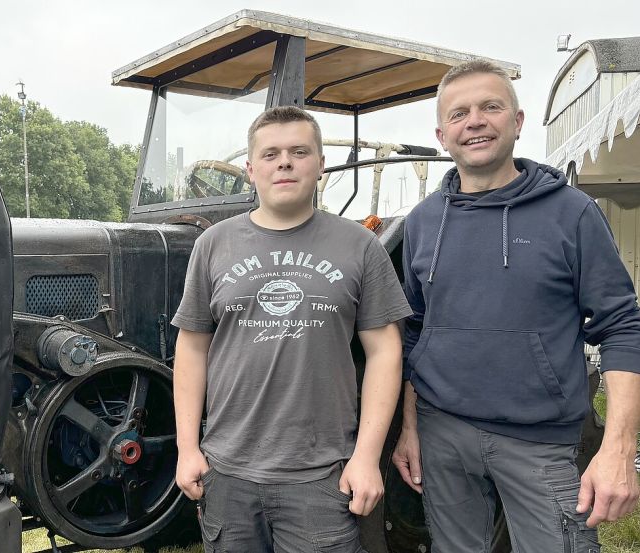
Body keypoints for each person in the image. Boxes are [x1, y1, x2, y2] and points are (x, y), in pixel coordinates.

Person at [394, 59, 640, 552]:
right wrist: (408, 428)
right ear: (442, 134)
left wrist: (618, 448)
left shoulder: (572, 213)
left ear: (518, 121)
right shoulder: (422, 222)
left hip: (539, 442)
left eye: (491, 106)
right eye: (460, 113)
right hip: (442, 432)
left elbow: (622, 327)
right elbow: (412, 332)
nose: (476, 121)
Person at [171, 105, 411, 553]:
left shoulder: (360, 246)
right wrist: (188, 448)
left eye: (299, 151)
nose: (284, 162)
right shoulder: (213, 245)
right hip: (229, 473)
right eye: (271, 153)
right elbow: (191, 348)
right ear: (251, 169)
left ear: (321, 165)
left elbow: (385, 352)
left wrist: (365, 458)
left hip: (321, 476)